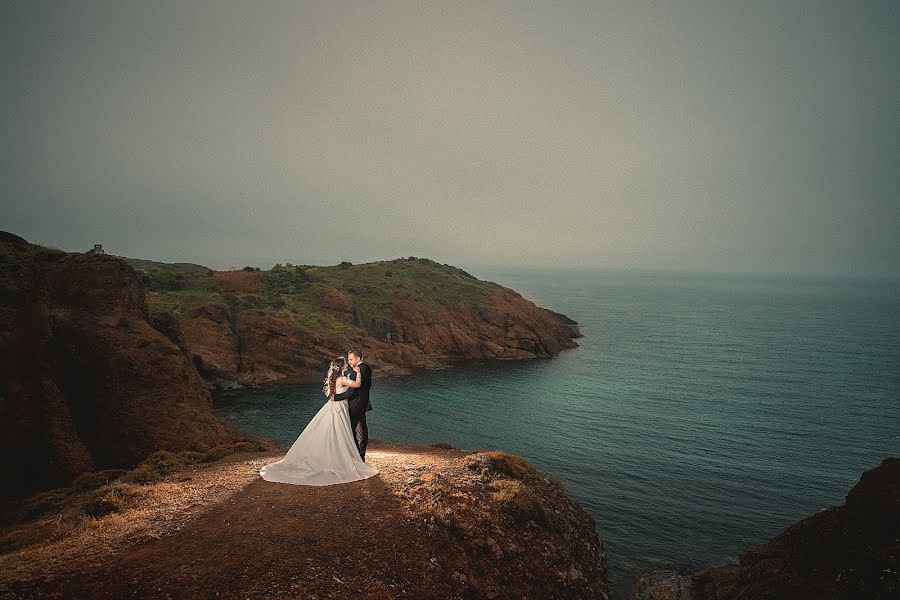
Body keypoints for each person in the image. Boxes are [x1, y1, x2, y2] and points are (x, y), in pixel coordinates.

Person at [258, 356, 378, 485]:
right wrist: (358, 373)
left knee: (332, 431)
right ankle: (339, 459)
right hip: (340, 408)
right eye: (345, 363)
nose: (347, 364)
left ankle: (331, 457)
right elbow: (357, 385)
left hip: (334, 407)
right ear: (342, 366)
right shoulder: (342, 379)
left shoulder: (335, 378)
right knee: (340, 432)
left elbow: (334, 395)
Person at [333, 349, 372, 461]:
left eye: (351, 359)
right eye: (348, 360)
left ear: (358, 358)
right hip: (361, 403)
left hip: (356, 404)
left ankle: (356, 456)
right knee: (360, 430)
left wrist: (336, 397)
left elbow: (353, 391)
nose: (349, 362)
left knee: (351, 430)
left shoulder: (360, 370)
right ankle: (359, 456)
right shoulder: (364, 368)